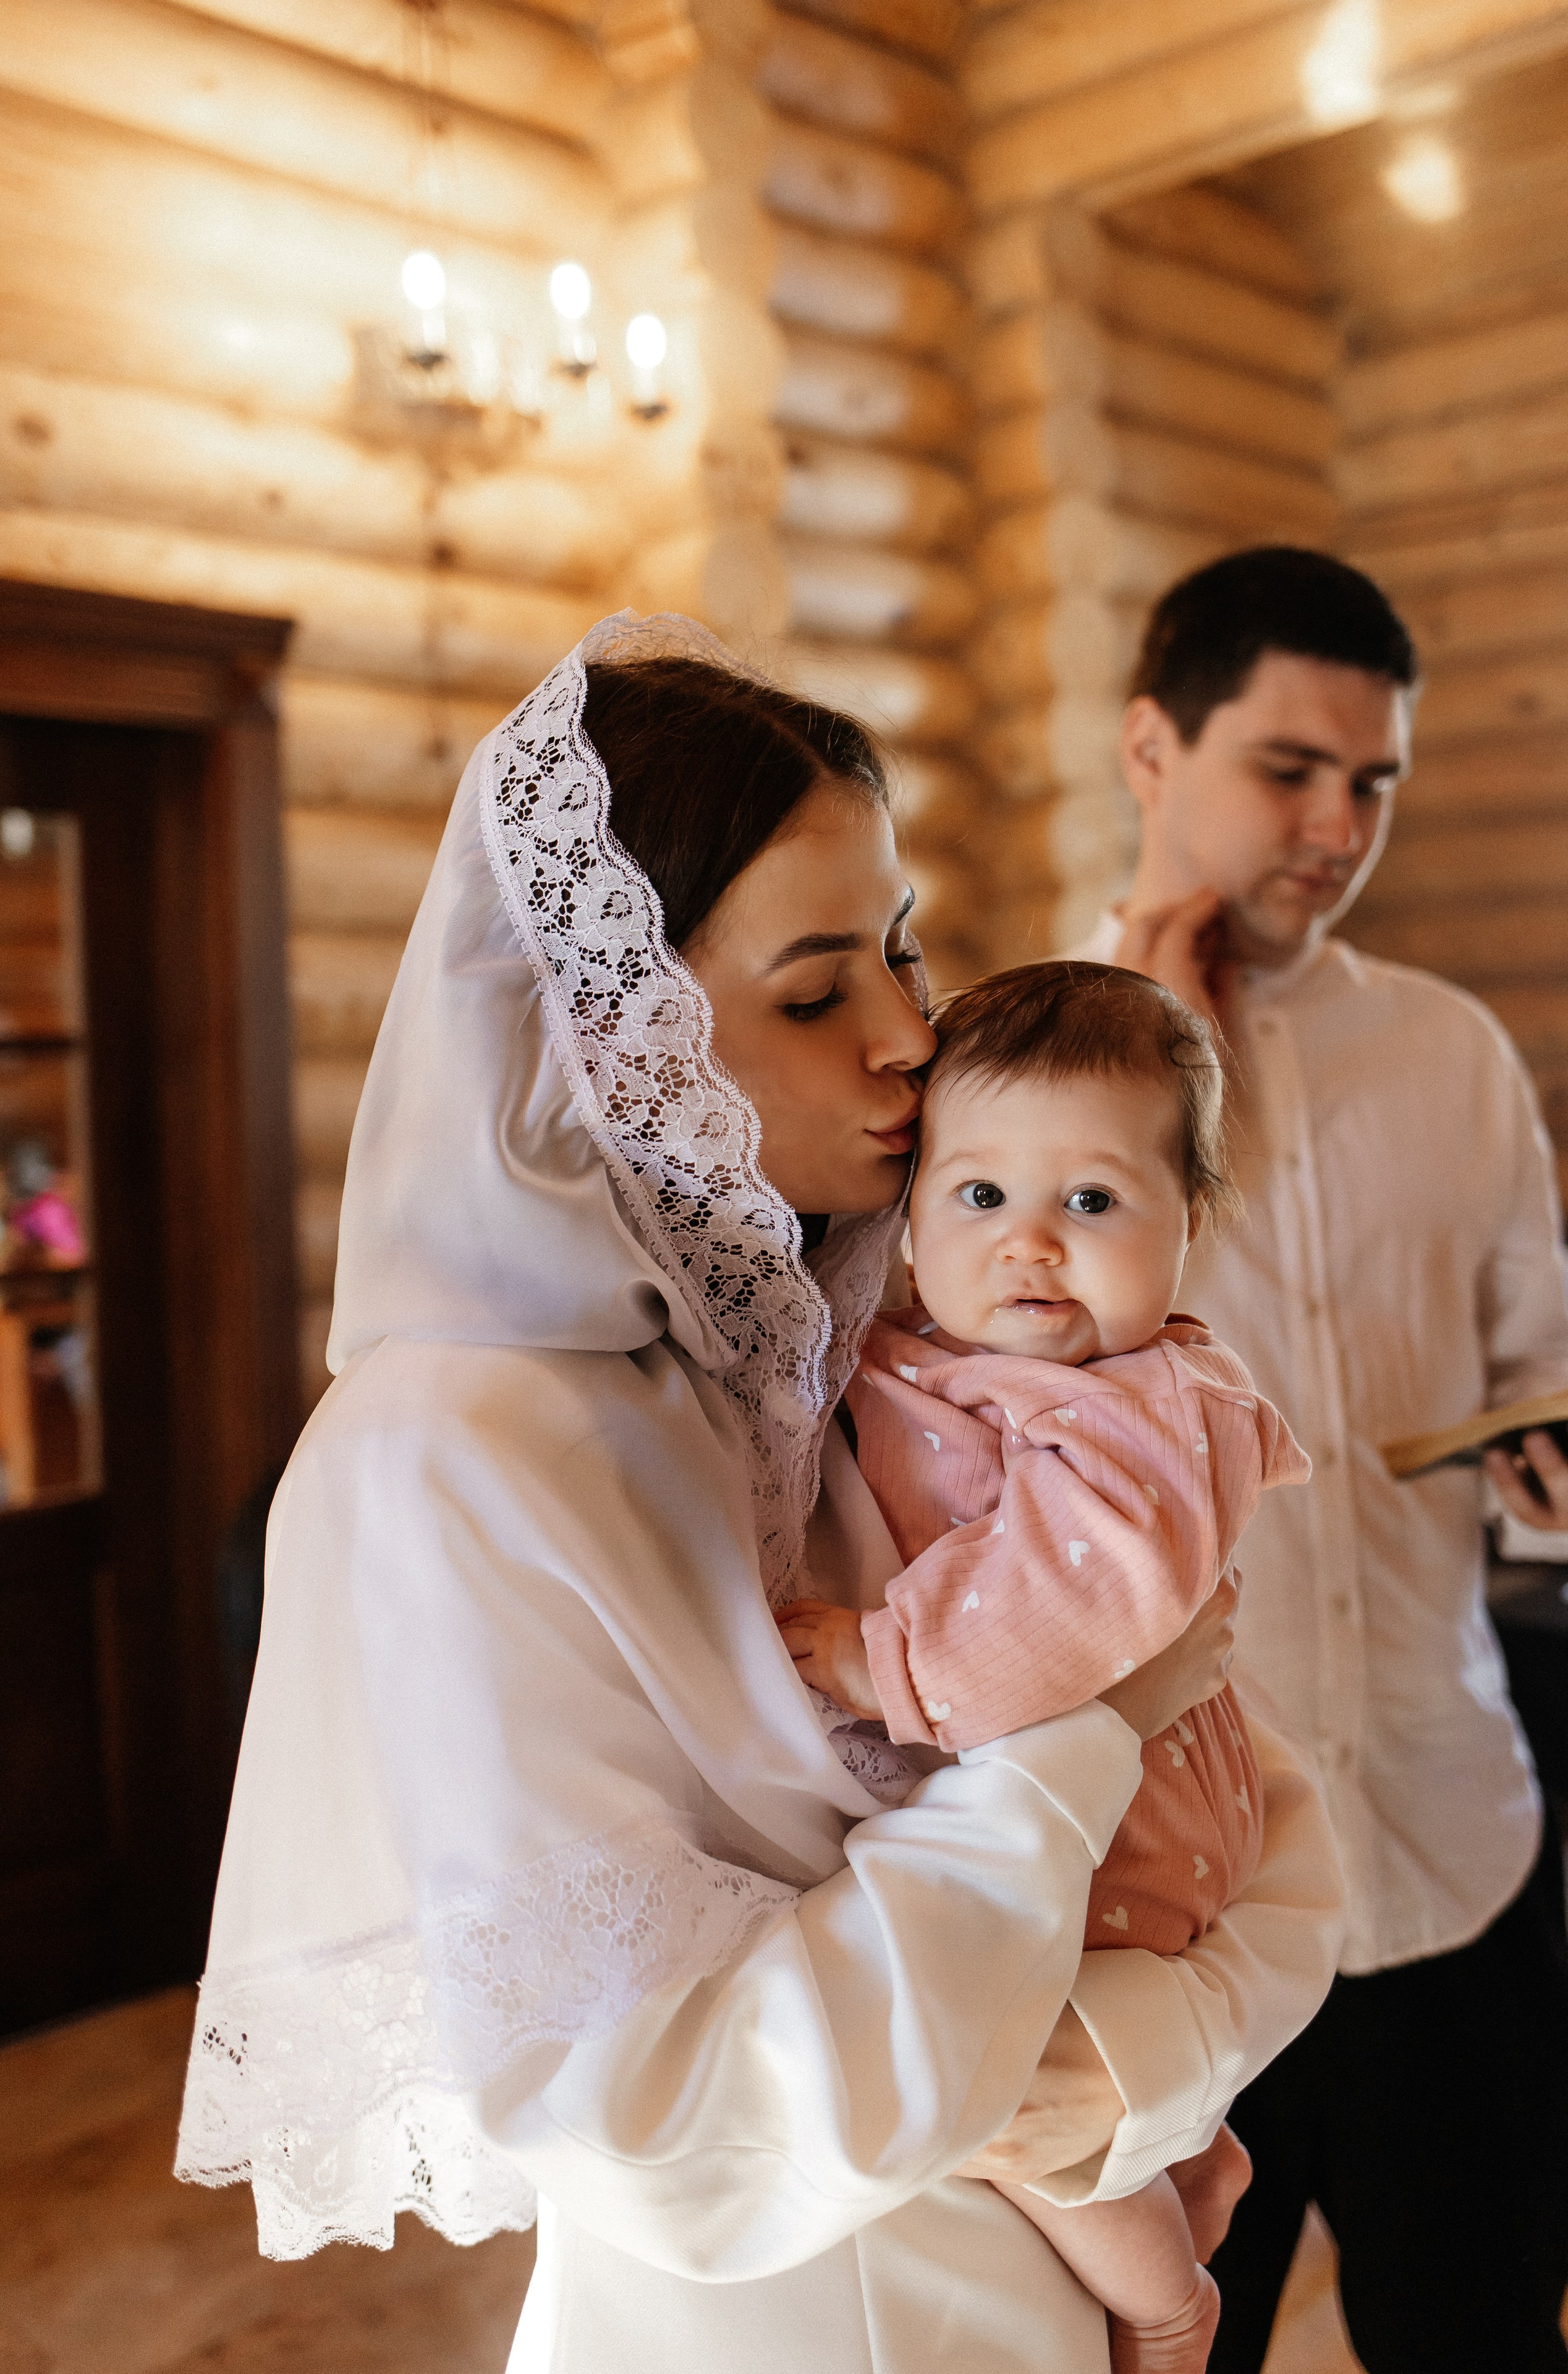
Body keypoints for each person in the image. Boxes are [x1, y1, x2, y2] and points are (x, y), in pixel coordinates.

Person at [176, 611, 1344, 2374]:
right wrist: (1083, 1732)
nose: (908, 1037)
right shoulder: (445, 1461)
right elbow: (667, 2136)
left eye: (901, 949)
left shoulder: (871, 1350)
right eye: (815, 991)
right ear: (608, 1039)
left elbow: (1283, 1837)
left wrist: (1126, 2071)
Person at [1082, 547, 1568, 2372]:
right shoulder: (1017, 1078)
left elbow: (1539, 1349)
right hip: (1170, 1914)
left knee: (1491, 2347)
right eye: (1288, 769)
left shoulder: (1452, 1055)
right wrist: (1140, 1083)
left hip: (1461, 1848)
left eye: (1373, 781)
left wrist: (1557, 1445)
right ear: (1153, 746)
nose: (1336, 824)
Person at [780, 960, 1316, 2374]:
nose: (1028, 1246)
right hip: (1055, 1807)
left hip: (1130, 1829)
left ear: (1185, 1225)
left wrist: (881, 1656)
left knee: (1015, 2103)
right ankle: (1193, 2178)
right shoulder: (918, 1349)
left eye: (1089, 1202)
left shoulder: (1153, 1409)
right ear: (910, 1219)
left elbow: (1084, 1594)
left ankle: (1165, 2302)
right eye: (977, 1199)